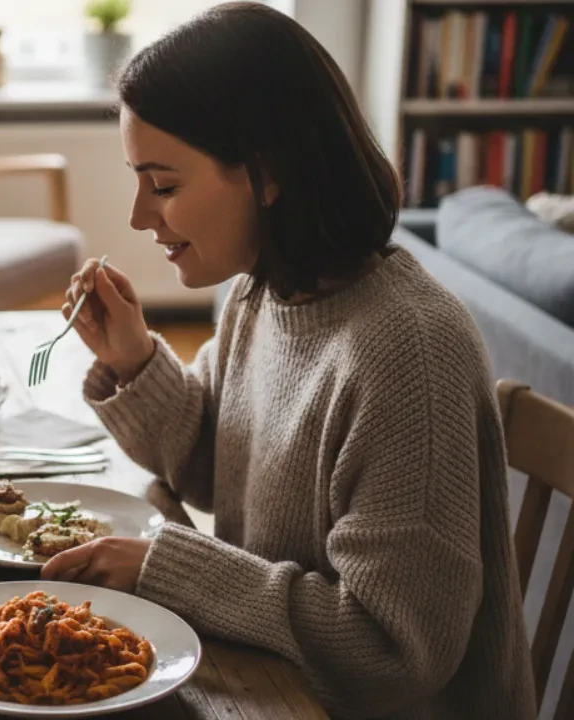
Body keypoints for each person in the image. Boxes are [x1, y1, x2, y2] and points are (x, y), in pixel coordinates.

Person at [38, 3, 536, 718]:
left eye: (165, 184)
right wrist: (136, 358)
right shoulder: (262, 291)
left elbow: (392, 656)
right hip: (270, 685)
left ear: (269, 173)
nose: (139, 217)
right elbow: (215, 465)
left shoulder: (408, 353)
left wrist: (170, 568)